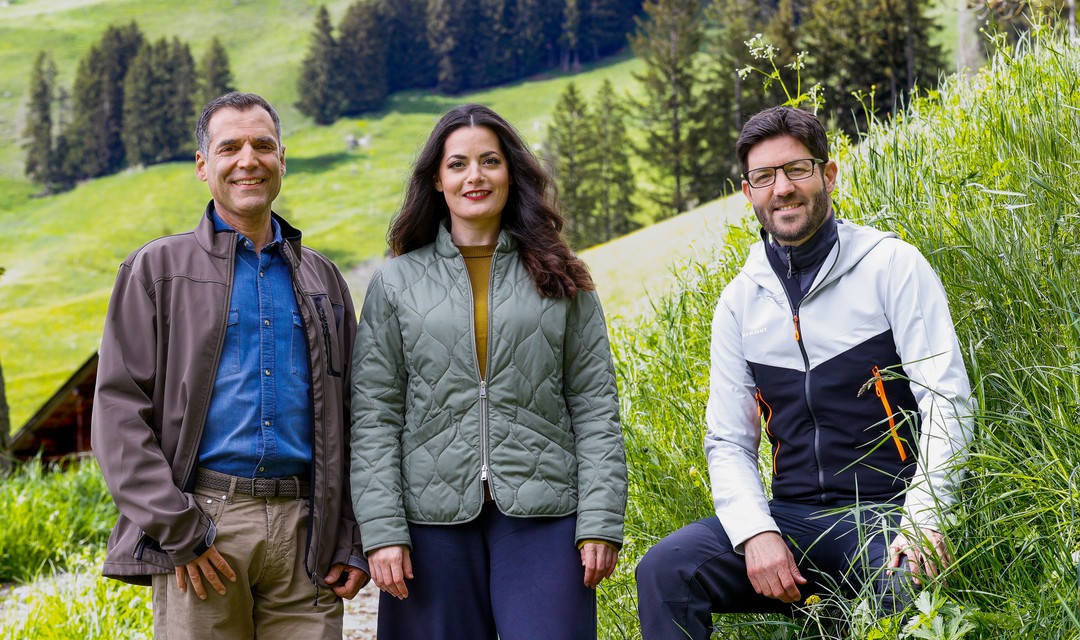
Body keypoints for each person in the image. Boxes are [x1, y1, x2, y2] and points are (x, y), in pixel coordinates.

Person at [635, 106, 974, 639]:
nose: (782, 189)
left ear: (828, 174)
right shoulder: (739, 303)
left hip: (886, 513)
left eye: (796, 169)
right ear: (748, 193)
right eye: (764, 177)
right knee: (664, 570)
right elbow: (727, 440)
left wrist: (925, 518)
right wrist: (754, 533)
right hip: (790, 518)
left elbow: (947, 399)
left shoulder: (892, 266)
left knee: (904, 585)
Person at [92, 91, 367, 639]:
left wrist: (350, 536)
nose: (249, 160)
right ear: (203, 165)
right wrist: (180, 530)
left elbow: (356, 416)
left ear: (282, 159)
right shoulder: (156, 270)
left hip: (307, 532)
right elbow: (118, 410)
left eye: (263, 145)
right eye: (230, 147)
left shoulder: (324, 279)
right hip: (203, 528)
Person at [349, 103, 627, 640]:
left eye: (489, 161)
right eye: (458, 164)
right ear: (436, 179)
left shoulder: (563, 277)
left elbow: (595, 407)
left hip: (545, 514)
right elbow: (374, 417)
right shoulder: (395, 284)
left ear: (511, 173)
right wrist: (383, 529)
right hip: (428, 520)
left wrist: (599, 518)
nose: (474, 176)